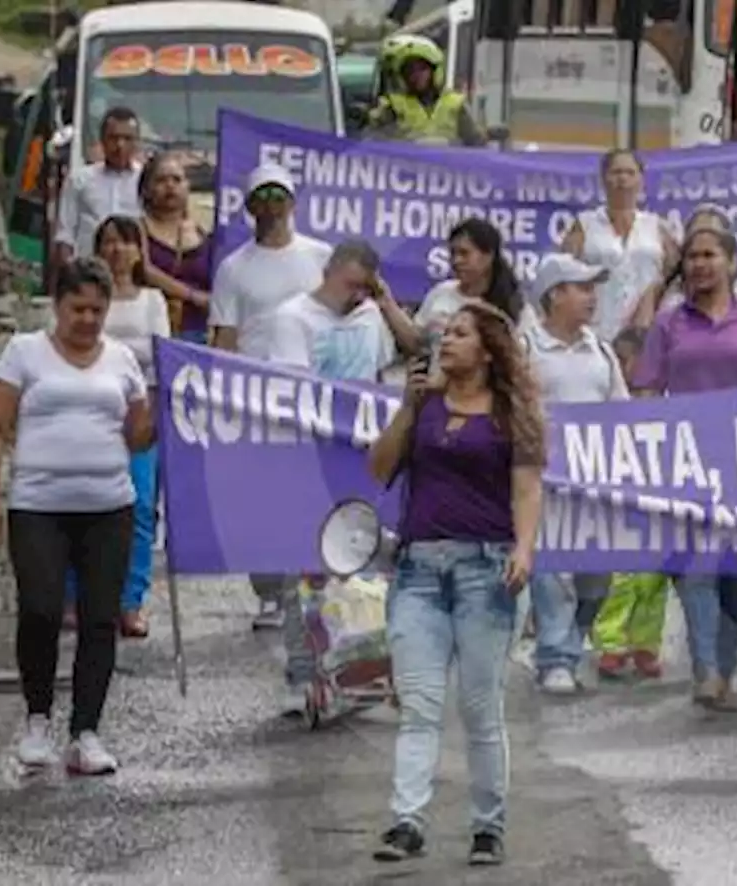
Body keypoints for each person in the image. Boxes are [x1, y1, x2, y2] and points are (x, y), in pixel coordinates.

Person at [367, 301, 545, 866]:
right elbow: (380, 468)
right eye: (444, 334)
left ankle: (488, 826)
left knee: (479, 706)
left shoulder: (511, 413)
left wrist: (523, 546)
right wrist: (407, 407)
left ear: (488, 350)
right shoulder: (424, 406)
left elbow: (527, 489)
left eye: (459, 334)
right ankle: (406, 821)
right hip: (418, 569)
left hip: (485, 571)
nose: (445, 342)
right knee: (419, 705)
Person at [0, 257, 153, 775]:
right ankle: (36, 721)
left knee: (101, 618)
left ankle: (86, 731)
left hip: (108, 507)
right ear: (57, 305)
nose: (88, 320)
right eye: (78, 308)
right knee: (41, 610)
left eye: (98, 310)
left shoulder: (122, 360)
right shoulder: (23, 354)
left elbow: (137, 435)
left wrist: (163, 414)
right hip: (38, 506)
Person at [630, 224, 737, 710]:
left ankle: (726, 670)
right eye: (692, 256)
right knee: (695, 572)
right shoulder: (669, 325)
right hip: (685, 464)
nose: (699, 264)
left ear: (732, 262)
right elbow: (647, 393)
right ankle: (706, 670)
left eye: (710, 254)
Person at [210, 162, 332, 641]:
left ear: (294, 202)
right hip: (257, 400)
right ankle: (267, 591)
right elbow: (224, 336)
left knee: (312, 496)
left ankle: (309, 584)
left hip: (313, 395)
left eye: (280, 196)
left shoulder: (322, 257)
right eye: (262, 197)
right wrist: (222, 396)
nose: (272, 206)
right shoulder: (234, 268)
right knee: (260, 501)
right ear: (249, 207)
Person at [521, 253, 628, 693]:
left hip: (595, 483)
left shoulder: (601, 351)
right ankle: (554, 658)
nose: (591, 297)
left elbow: (622, 412)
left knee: (596, 576)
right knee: (550, 571)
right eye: (582, 288)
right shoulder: (524, 348)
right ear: (555, 295)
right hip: (543, 483)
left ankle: (571, 641)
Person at [62, 216, 169, 639]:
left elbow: (162, 362)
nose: (117, 250)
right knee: (77, 502)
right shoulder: (87, 301)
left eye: (125, 242)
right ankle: (73, 596)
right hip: (88, 411)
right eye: (107, 242)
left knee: (140, 507)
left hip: (138, 412)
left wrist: (156, 416)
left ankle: (131, 601)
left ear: (139, 250)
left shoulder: (153, 301)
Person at [593, 326, 672, 680]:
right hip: (619, 503)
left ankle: (646, 643)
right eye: (624, 361)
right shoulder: (610, 409)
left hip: (658, 503)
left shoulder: (668, 407)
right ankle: (610, 643)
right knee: (620, 577)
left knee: (654, 581)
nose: (631, 369)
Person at [562, 148, 678, 341]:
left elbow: (675, 277)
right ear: (603, 178)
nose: (623, 179)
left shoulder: (656, 226)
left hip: (646, 335)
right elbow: (563, 273)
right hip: (595, 333)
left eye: (630, 172)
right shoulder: (585, 225)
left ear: (641, 180)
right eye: (616, 172)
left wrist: (654, 298)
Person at [270, 239, 410, 381]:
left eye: (367, 287)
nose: (359, 296)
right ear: (327, 274)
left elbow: (380, 371)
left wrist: (387, 303)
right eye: (352, 286)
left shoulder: (369, 313)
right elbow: (293, 384)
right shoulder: (292, 318)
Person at [409, 217, 531, 354]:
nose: (456, 261)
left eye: (464, 253)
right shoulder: (441, 292)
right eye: (453, 253)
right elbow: (415, 342)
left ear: (488, 256)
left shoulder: (514, 304)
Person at [136, 152, 212, 343]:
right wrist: (192, 296)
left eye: (177, 180)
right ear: (146, 189)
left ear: (187, 187)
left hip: (198, 333)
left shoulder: (203, 232)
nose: (170, 186)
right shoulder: (137, 229)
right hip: (151, 330)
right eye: (161, 180)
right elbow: (145, 271)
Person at [625, 205, 737, 328]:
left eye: (709, 254)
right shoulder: (668, 298)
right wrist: (662, 282)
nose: (703, 240)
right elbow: (640, 334)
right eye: (696, 235)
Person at [54, 107, 142, 265]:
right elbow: (65, 235)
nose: (120, 145)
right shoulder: (79, 180)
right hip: (89, 271)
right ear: (102, 140)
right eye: (113, 138)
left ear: (137, 142)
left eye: (127, 138)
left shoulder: (146, 181)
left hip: (133, 273)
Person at [365, 36, 486, 146]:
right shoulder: (393, 105)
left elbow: (475, 141)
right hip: (407, 167)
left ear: (435, 71)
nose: (416, 76)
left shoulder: (456, 103)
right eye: (410, 71)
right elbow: (373, 139)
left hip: (448, 168)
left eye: (422, 69)